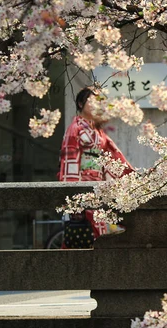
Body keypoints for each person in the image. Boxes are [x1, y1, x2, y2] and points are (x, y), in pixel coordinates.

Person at [58, 86, 133, 248]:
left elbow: (112, 155)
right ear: (80, 104)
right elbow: (69, 160)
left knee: (101, 229)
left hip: (99, 185)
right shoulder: (75, 129)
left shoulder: (97, 131)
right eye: (91, 102)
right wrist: (73, 196)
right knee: (89, 231)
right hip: (83, 184)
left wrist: (130, 175)